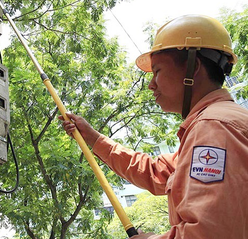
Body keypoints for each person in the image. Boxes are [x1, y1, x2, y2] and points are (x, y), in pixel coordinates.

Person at [60, 15, 248, 238]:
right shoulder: (213, 126)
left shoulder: (215, 128)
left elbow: (209, 232)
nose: (151, 84)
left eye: (157, 71)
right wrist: (93, 138)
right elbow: (155, 171)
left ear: (193, 67)